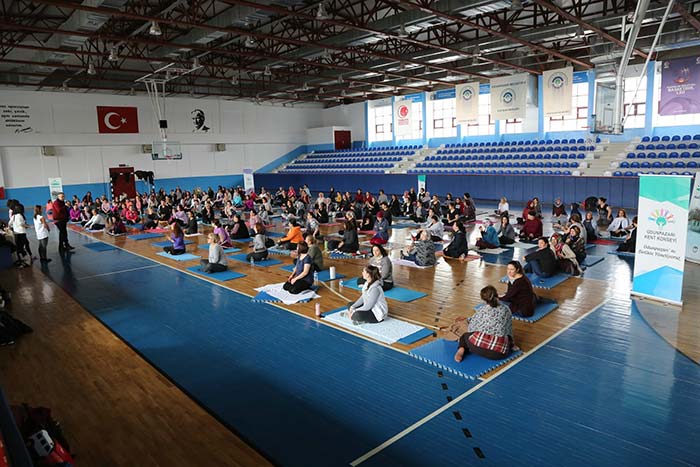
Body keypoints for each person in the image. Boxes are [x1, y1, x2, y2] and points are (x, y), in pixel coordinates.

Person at [454, 285, 514, 362]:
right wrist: (512, 343)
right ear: (497, 295)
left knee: (465, 336)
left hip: (477, 348)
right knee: (505, 338)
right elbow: (509, 329)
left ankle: (461, 349)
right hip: (499, 354)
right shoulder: (506, 309)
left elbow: (472, 326)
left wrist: (468, 320)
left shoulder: (482, 309)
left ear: (484, 300)